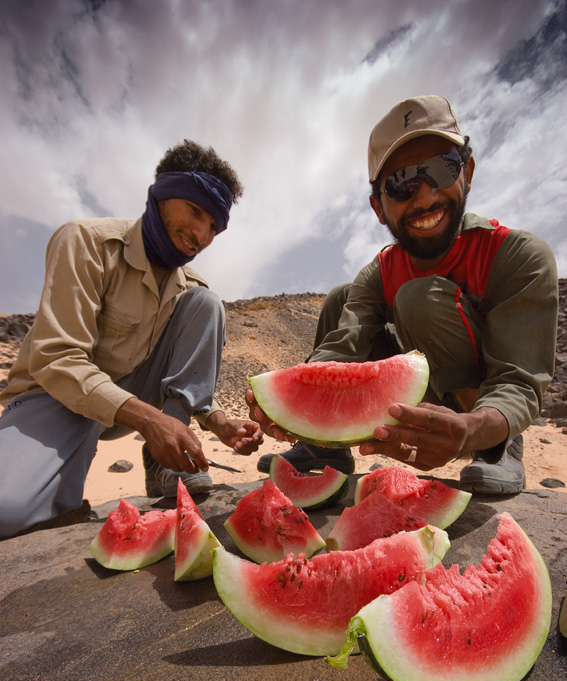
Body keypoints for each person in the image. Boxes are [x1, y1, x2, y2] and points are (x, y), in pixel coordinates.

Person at [250, 95, 558, 495]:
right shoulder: (379, 272)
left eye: (441, 168)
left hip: (482, 416)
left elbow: (520, 382)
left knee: (419, 298)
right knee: (341, 298)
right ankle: (322, 448)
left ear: (467, 171)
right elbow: (342, 346)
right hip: (416, 402)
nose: (425, 196)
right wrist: (292, 404)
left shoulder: (517, 256)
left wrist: (477, 428)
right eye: (401, 184)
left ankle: (498, 451)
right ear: (379, 207)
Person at [0, 140, 263, 538]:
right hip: (52, 397)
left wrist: (219, 423)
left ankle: (165, 467)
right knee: (9, 511)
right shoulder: (85, 242)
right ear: (161, 194)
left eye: (213, 226)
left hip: (128, 397)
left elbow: (174, 377)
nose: (201, 234)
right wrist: (150, 420)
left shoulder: (189, 286)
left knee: (208, 304)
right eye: (195, 211)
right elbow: (59, 359)